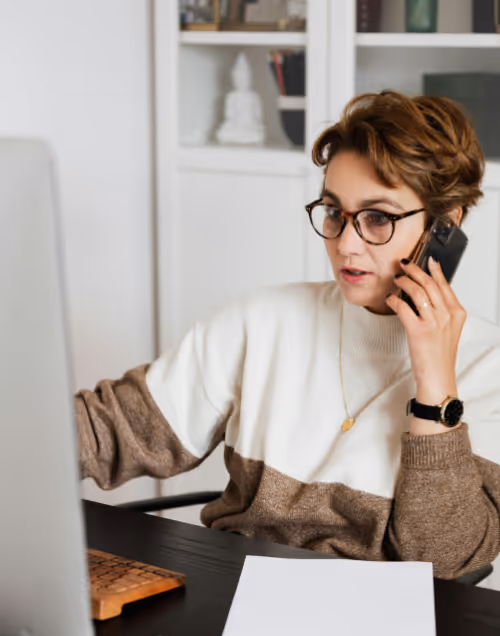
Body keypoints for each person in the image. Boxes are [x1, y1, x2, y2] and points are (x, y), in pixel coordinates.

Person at [76, 90, 500, 580]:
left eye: (378, 218)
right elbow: (111, 431)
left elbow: (446, 560)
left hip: (382, 631)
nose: (346, 243)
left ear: (445, 227)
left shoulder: (488, 365)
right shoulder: (262, 320)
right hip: (235, 596)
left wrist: (434, 386)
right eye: (335, 211)